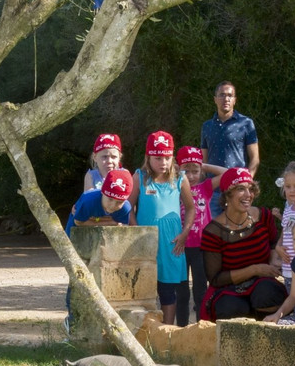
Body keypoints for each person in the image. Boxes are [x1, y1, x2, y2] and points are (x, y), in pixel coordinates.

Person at [199, 168, 287, 321]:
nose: (248, 195)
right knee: (232, 308)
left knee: (267, 293)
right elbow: (216, 279)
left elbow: (273, 242)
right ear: (227, 194)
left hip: (261, 282)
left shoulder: (263, 216)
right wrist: (254, 269)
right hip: (229, 288)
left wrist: (274, 258)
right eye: (241, 189)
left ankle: (268, 331)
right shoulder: (213, 232)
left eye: (251, 189)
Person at [130, 131, 195, 326]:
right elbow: (128, 208)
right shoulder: (139, 177)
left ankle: (167, 332)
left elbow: (190, 208)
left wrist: (185, 233)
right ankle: (146, 332)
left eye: (167, 157)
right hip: (146, 243)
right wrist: (138, 231)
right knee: (144, 289)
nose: (163, 162)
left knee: (168, 291)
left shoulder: (180, 178)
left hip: (171, 244)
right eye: (158, 158)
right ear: (148, 157)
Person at [63, 168, 135, 332]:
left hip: (101, 242)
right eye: (110, 199)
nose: (113, 206)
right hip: (76, 239)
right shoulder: (89, 200)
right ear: (103, 191)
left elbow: (119, 228)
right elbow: (80, 223)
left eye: (119, 202)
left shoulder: (125, 208)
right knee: (78, 278)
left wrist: (98, 221)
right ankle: (72, 321)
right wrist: (109, 222)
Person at [174, 146, 226, 326]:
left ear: (201, 172)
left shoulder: (206, 187)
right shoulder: (174, 187)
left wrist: (203, 165)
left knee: (200, 290)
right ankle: (181, 329)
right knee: (181, 292)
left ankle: (201, 327)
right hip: (179, 247)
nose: (190, 176)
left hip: (201, 247)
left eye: (195, 171)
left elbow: (228, 174)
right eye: (185, 171)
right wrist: (178, 168)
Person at [200, 81, 260, 217]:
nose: (226, 99)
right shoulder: (207, 126)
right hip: (214, 191)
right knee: (213, 227)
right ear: (215, 99)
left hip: (237, 190)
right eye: (222, 95)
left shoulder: (246, 123)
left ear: (235, 100)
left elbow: (255, 158)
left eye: (229, 95)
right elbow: (204, 161)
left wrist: (246, 181)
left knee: (240, 227)